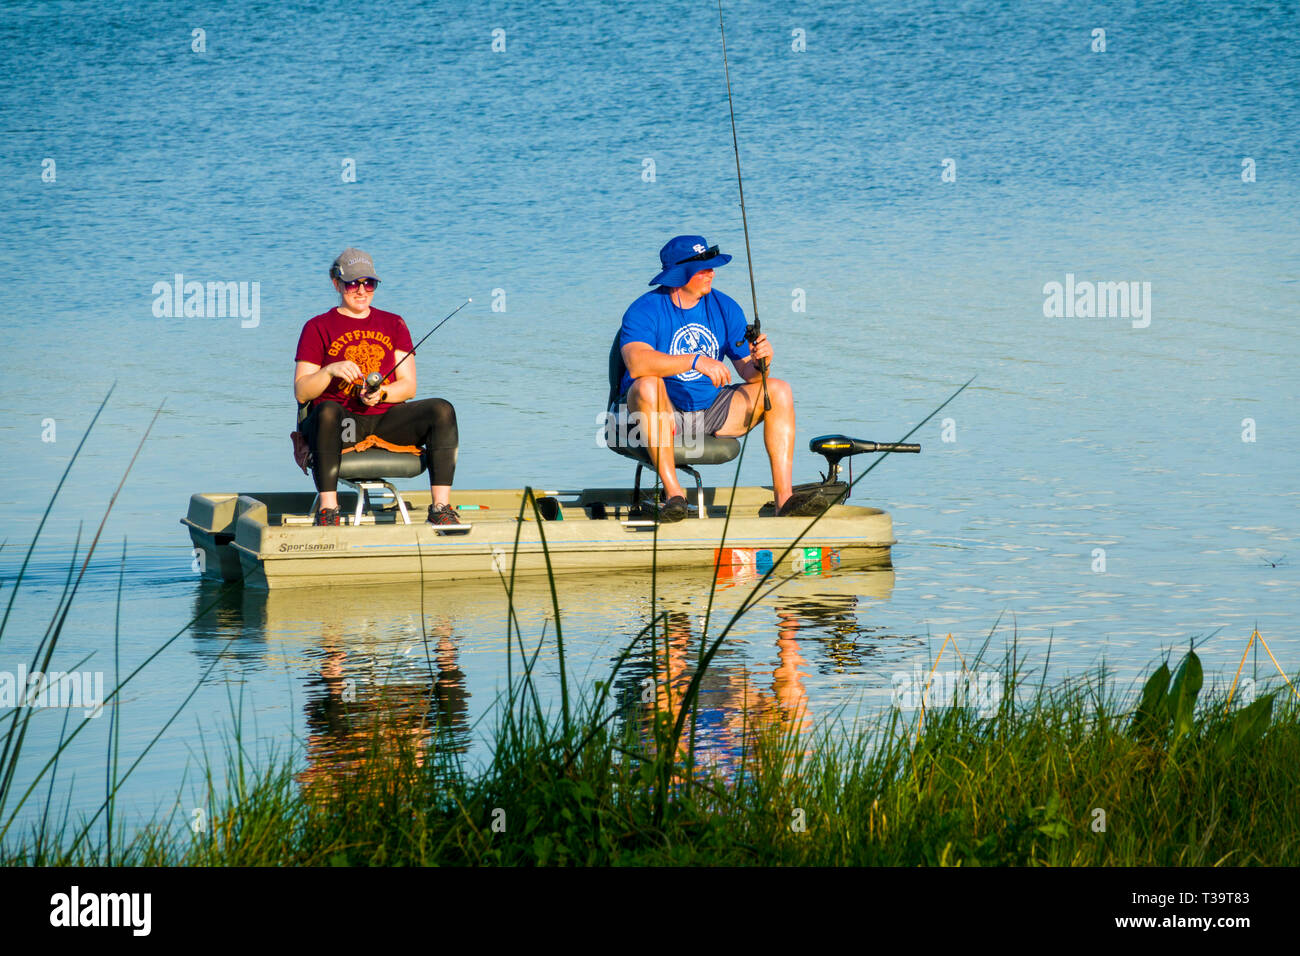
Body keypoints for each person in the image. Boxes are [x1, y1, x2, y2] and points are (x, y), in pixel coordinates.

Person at [613, 234, 826, 521]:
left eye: (712, 267)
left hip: (710, 410)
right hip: (653, 414)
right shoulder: (645, 310)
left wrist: (762, 363)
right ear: (679, 274)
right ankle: (674, 496)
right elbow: (637, 363)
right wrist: (694, 360)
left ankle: (784, 500)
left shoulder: (724, 306)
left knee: (778, 389)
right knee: (648, 384)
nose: (711, 273)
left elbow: (750, 374)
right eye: (703, 269)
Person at [293, 248, 461, 527]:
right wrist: (329, 370)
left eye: (368, 283)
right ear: (336, 284)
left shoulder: (394, 323)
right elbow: (301, 391)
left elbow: (408, 386)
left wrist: (381, 393)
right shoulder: (317, 327)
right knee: (327, 411)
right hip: (343, 427)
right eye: (352, 284)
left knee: (442, 409)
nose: (361, 291)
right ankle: (329, 511)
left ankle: (440, 508)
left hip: (386, 421)